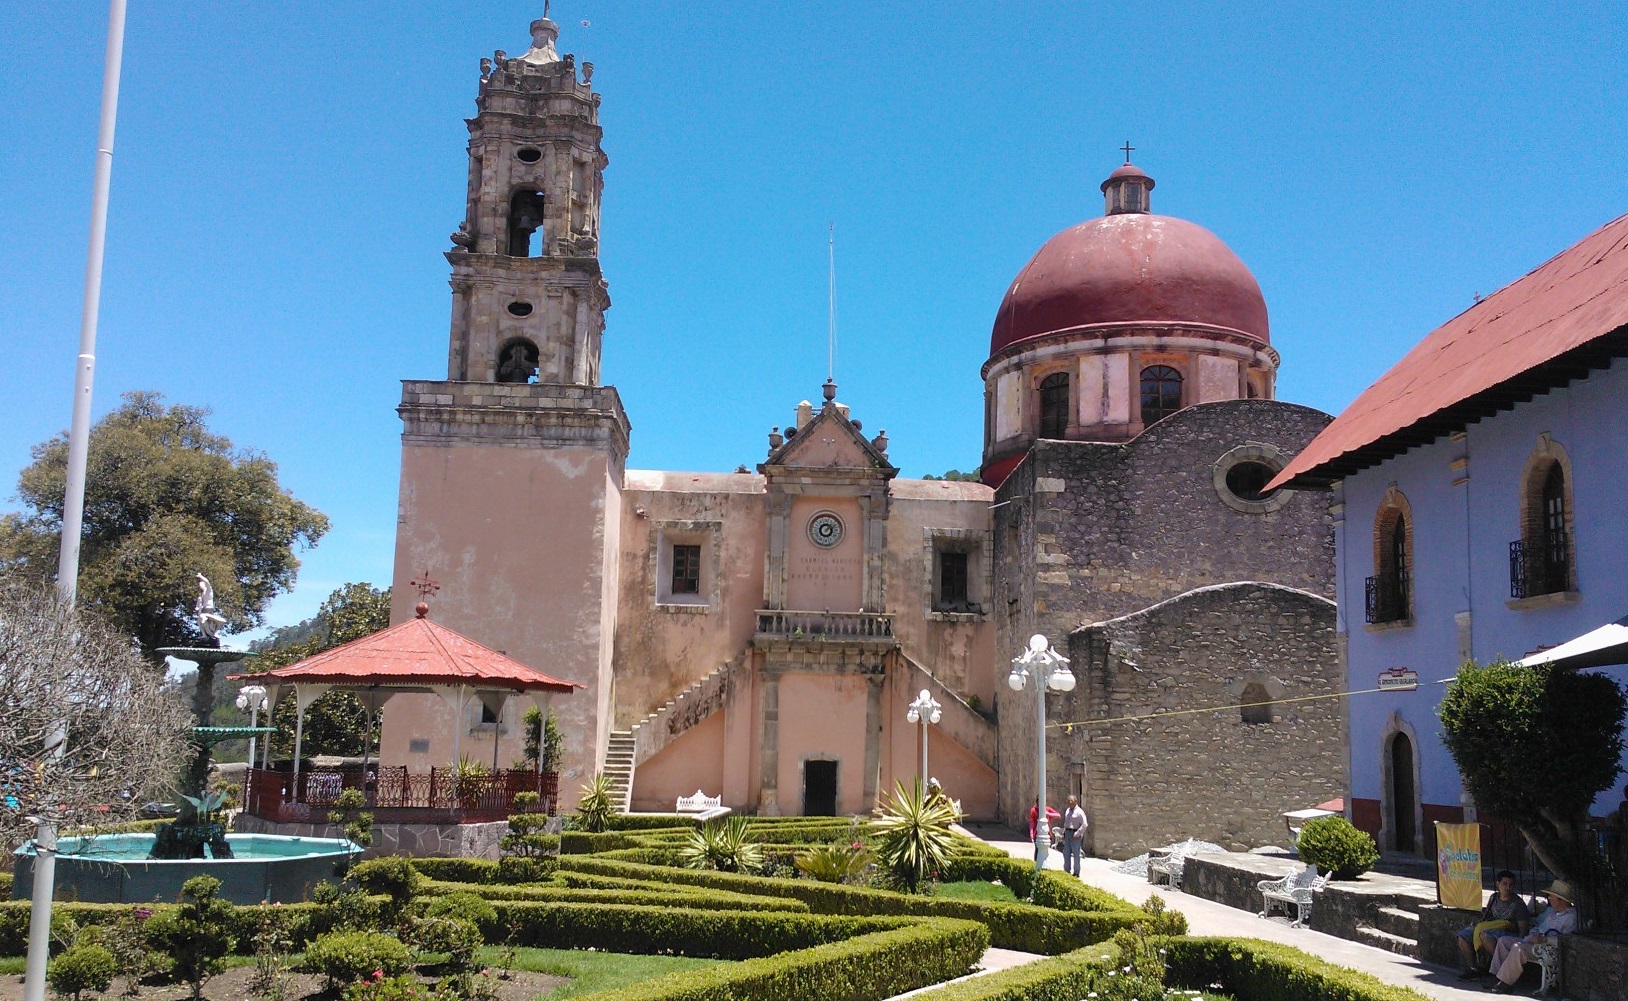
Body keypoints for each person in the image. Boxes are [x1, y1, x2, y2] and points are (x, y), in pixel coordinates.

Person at [1487, 880, 1578, 993]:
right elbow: (1539, 926)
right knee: (1503, 941)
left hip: (1548, 949)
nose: (1549, 899)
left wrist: (1544, 939)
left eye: (1551, 897)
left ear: (1561, 900)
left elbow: (1565, 940)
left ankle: (1506, 982)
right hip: (1534, 942)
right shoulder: (1551, 912)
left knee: (1518, 948)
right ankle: (1496, 976)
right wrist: (1533, 934)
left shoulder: (1571, 918)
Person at [1455, 870, 1530, 979]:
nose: (1507, 887)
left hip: (1507, 934)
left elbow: (1522, 930)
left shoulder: (1518, 904)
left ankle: (1501, 971)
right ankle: (1473, 969)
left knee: (1485, 936)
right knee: (1463, 935)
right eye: (1504, 884)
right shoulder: (1493, 898)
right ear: (1497, 884)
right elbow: (1486, 917)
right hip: (1489, 927)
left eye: (1511, 885)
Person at [1060, 794, 1088, 876]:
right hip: (1068, 833)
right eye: (1068, 801)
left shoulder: (1079, 812)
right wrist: (1064, 832)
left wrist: (1078, 833)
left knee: (1076, 855)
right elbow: (1066, 823)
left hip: (1075, 834)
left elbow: (1085, 824)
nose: (1070, 802)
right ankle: (1066, 871)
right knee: (1066, 853)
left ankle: (1076, 872)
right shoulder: (1067, 810)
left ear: (1075, 801)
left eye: (1071, 801)